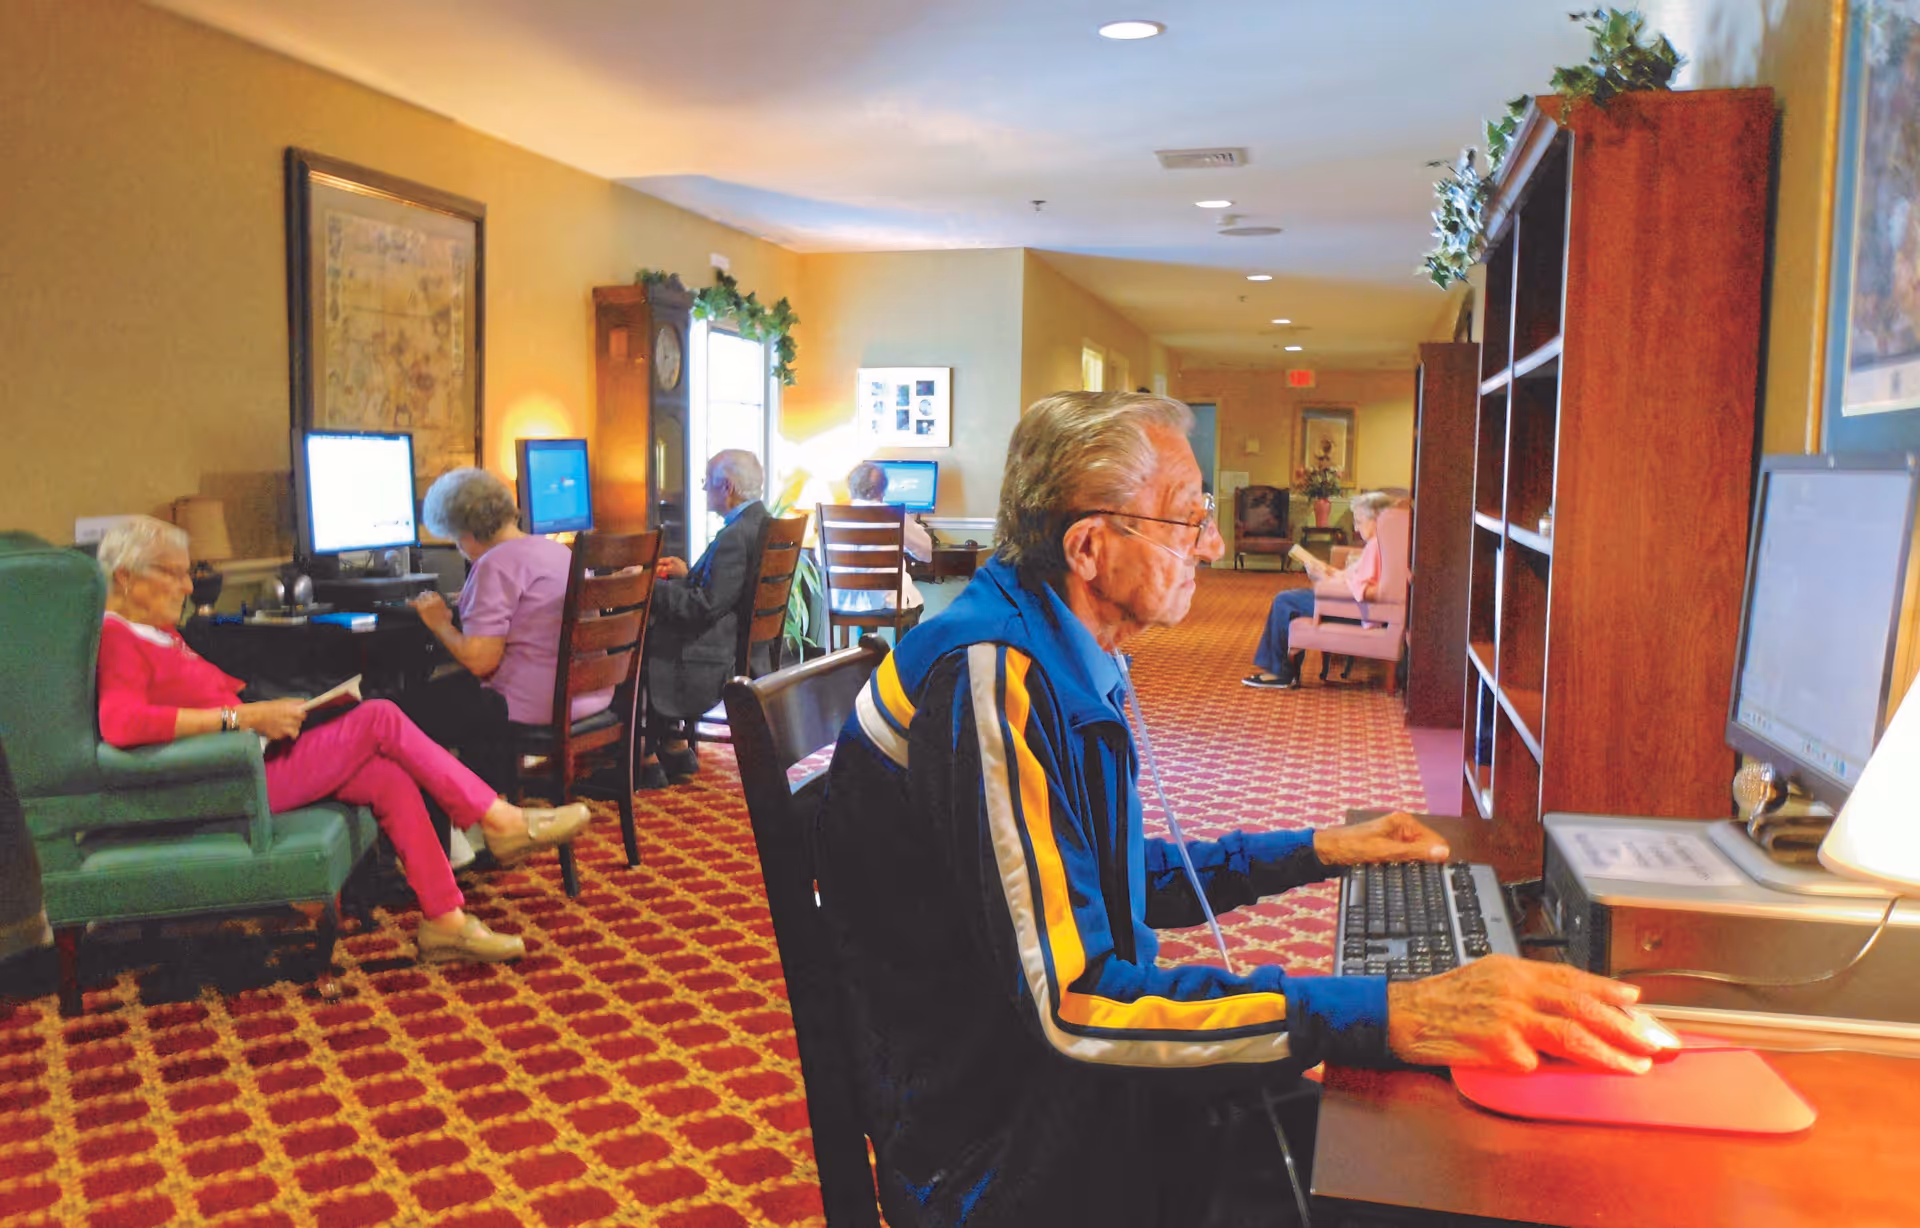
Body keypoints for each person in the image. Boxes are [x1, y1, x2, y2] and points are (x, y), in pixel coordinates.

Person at [815, 392, 1674, 1228]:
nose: (1213, 542)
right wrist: (1396, 1013)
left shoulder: (1051, 645)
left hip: (1067, 1094)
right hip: (1007, 1149)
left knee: (1427, 1151)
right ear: (1088, 546)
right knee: (1445, 1176)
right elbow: (1073, 1005)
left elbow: (1109, 885)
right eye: (1188, 518)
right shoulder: (991, 679)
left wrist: (1319, 848)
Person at [93, 517, 591, 963]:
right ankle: (498, 818)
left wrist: (285, 710)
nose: (186, 585)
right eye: (173, 573)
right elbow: (121, 723)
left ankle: (445, 921)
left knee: (385, 775)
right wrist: (242, 718)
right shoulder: (119, 636)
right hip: (224, 779)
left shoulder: (160, 633)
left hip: (248, 759)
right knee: (379, 716)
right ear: (125, 577)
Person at [406, 467, 614, 793]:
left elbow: (480, 662)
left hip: (537, 703)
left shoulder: (493, 565)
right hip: (592, 693)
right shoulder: (557, 551)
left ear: (467, 533)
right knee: (459, 696)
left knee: (409, 709)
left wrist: (439, 623)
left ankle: (465, 812)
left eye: (455, 540)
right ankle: (493, 797)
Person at [645, 449, 772, 783]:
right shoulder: (761, 522)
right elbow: (727, 591)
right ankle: (672, 744)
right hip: (746, 648)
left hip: (714, 655)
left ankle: (645, 756)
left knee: (634, 644)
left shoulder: (735, 535)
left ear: (726, 487)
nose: (703, 490)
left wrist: (645, 585)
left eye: (706, 482)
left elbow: (702, 608)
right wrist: (688, 574)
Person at [1244, 489, 1401, 690]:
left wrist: (1323, 580)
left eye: (1359, 522)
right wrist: (1328, 572)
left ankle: (1279, 673)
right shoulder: (1386, 543)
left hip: (1347, 607)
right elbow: (1357, 578)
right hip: (1347, 603)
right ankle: (1285, 672)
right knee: (1292, 601)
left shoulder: (1375, 546)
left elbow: (1361, 590)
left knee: (1284, 601)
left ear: (1379, 519)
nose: (1355, 527)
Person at [831, 460, 934, 614]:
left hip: (843, 601)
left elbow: (821, 558)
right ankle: (901, 639)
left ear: (851, 488)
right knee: (913, 602)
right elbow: (926, 553)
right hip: (887, 600)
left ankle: (866, 637)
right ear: (882, 490)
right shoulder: (893, 515)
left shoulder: (832, 516)